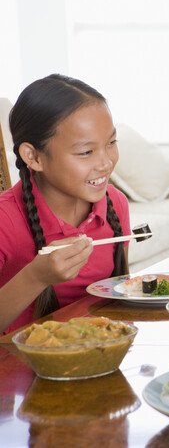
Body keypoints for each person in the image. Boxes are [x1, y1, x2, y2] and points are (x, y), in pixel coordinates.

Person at [0, 75, 130, 333]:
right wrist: (36, 277)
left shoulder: (115, 203)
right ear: (33, 156)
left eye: (111, 143)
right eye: (86, 152)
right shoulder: (5, 221)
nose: (106, 163)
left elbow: (119, 301)